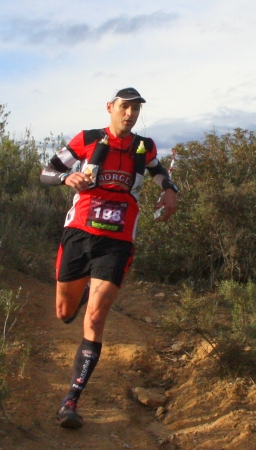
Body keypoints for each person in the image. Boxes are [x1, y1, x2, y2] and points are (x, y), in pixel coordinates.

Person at [40, 87, 179, 429]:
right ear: (110, 108)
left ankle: (70, 400)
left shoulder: (143, 147)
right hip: (79, 232)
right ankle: (82, 289)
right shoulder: (87, 139)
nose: (129, 114)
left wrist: (169, 190)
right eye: (124, 107)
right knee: (64, 313)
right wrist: (65, 177)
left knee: (96, 318)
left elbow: (159, 171)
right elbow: (46, 172)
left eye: (135, 108)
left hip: (117, 240)